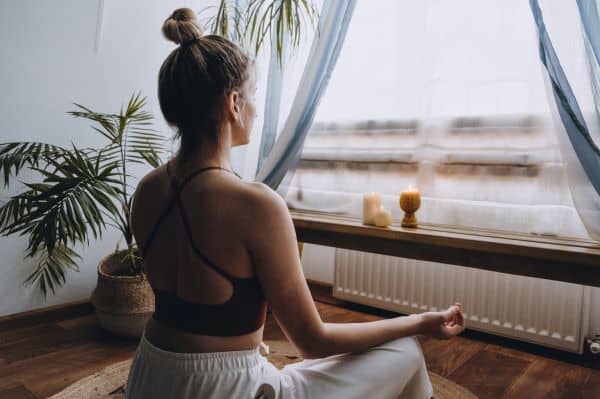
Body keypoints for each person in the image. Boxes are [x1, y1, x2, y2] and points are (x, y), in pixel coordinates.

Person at [125, 8, 465, 399]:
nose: (255, 107)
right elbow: (313, 341)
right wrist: (418, 321)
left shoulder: (147, 191)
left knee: (316, 367)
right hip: (225, 390)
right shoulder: (255, 204)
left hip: (149, 379)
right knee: (403, 349)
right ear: (233, 103)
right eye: (252, 97)